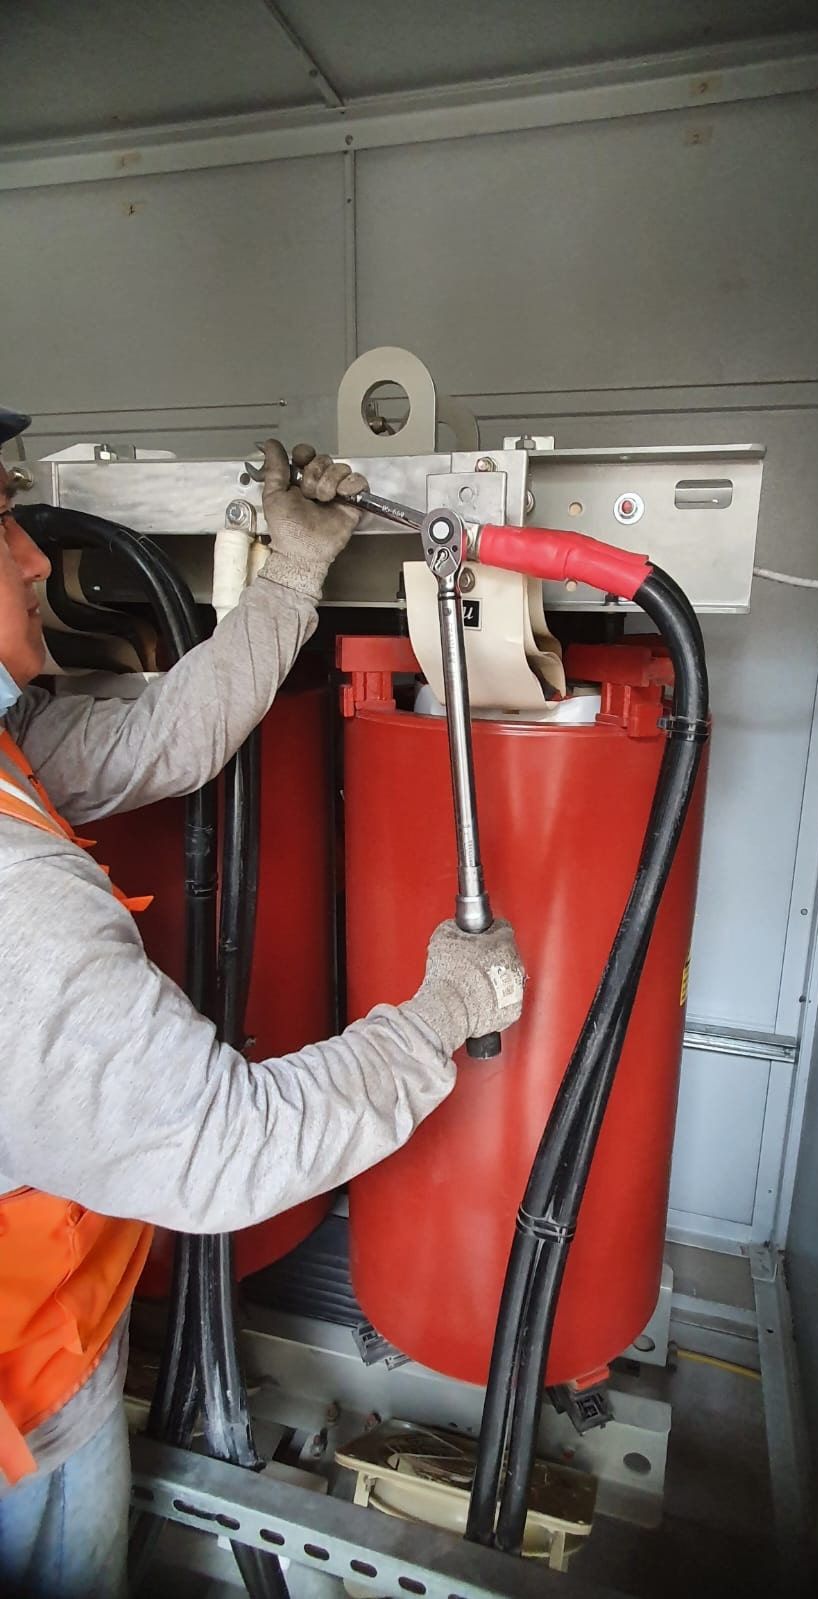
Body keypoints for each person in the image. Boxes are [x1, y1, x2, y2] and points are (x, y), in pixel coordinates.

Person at [0, 408, 525, 1598]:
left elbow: (162, 744)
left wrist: (292, 575)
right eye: (1, 523)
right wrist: (441, 1014)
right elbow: (221, 1146)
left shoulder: (8, 749)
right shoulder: (11, 898)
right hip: (21, 1406)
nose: (36, 556)